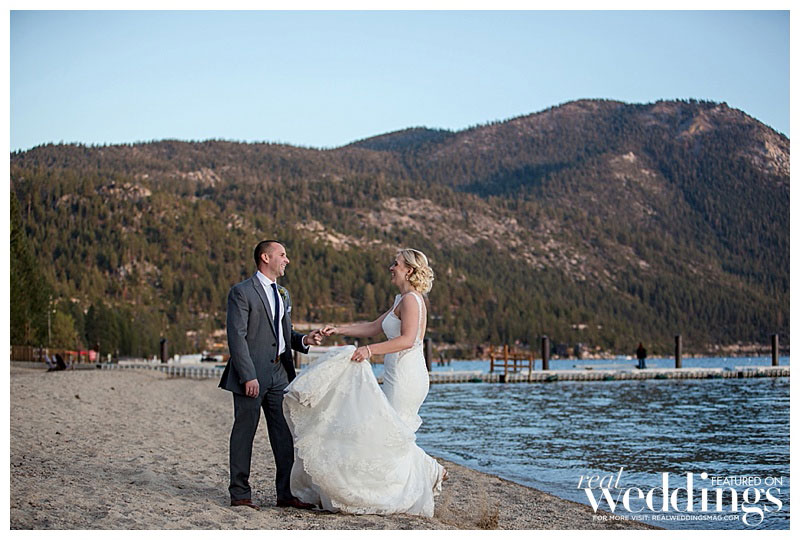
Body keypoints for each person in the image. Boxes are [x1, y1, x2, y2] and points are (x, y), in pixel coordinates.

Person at [282, 248, 446, 517]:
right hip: (397, 373)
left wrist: (369, 351)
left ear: (410, 271)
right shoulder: (400, 299)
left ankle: (430, 471)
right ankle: (425, 473)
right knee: (390, 430)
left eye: (396, 264)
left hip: (408, 376)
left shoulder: (412, 300)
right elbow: (372, 327)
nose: (391, 267)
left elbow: (408, 340)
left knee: (393, 430)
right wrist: (339, 330)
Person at [219, 240, 324, 511]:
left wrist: (304, 340)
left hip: (280, 373)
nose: (287, 260)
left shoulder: (284, 294)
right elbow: (237, 337)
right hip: (251, 375)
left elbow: (283, 333)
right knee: (245, 432)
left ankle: (286, 494)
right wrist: (247, 375)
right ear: (265, 258)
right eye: (282, 255)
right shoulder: (241, 292)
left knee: (284, 434)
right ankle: (240, 493)